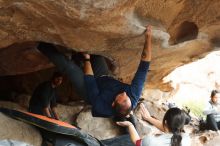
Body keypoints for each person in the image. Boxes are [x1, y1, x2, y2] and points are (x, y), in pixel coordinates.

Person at [36, 25, 152, 119]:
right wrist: (148, 37)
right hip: (105, 78)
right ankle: (76, 55)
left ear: (113, 103)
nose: (125, 93)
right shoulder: (133, 94)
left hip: (89, 91)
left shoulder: (102, 107)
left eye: (123, 97)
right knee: (95, 52)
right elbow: (144, 66)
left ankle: (41, 45)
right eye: (127, 99)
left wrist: (87, 59)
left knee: (70, 68)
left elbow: (90, 81)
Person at [117, 103, 191, 146]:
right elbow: (167, 128)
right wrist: (148, 118)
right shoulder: (187, 139)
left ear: (165, 122)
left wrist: (130, 125)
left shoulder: (152, 141)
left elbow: (137, 142)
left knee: (125, 140)